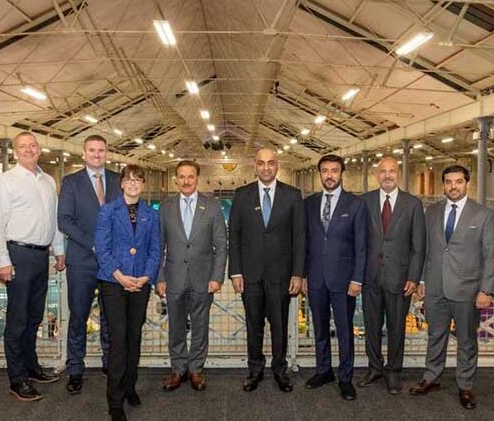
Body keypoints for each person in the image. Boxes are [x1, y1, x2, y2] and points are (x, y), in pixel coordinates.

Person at [409, 165, 494, 410]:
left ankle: (465, 385)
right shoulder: (432, 211)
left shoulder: (483, 215)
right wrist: (422, 281)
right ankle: (431, 377)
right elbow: (425, 249)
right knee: (435, 335)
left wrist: (486, 290)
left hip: (467, 290)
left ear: (467, 183)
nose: (453, 186)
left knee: (467, 339)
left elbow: (491, 255)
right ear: (443, 185)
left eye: (458, 181)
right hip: (435, 287)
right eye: (448, 182)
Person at [0, 132, 66, 401]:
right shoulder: (4, 182)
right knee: (17, 320)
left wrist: (58, 250)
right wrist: (3, 260)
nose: (29, 150)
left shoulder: (48, 180)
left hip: (41, 255)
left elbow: (53, 220)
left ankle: (31, 366)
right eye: (23, 146)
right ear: (14, 151)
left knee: (34, 317)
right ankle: (17, 378)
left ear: (39, 149)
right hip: (18, 254)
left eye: (33, 145)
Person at [228, 148, 306, 393]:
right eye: (261, 163)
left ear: (277, 165)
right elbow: (234, 236)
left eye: (270, 163)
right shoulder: (242, 195)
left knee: (279, 325)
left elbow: (299, 237)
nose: (266, 168)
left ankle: (280, 370)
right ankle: (255, 370)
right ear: (255, 165)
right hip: (250, 275)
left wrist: (297, 273)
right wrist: (236, 272)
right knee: (254, 325)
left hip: (281, 275)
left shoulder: (292, 195)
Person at [95, 164, 161, 421]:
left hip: (139, 284)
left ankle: (130, 386)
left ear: (143, 184)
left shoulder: (150, 214)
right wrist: (120, 276)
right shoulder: (108, 211)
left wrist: (146, 276)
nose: (133, 184)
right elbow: (102, 249)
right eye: (129, 180)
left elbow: (155, 249)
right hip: (113, 283)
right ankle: (114, 401)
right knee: (118, 340)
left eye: (138, 180)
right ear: (121, 183)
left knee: (134, 337)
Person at [156, 160, 227, 391]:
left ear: (198, 178)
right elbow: (158, 246)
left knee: (200, 326)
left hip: (203, 279)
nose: (186, 181)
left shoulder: (212, 207)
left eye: (190, 176)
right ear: (175, 179)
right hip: (173, 277)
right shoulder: (165, 208)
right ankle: (178, 369)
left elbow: (221, 245)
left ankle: (196, 369)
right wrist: (160, 278)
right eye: (182, 177)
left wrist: (217, 277)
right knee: (175, 327)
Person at [58, 134, 120, 394]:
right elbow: (64, 220)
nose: (97, 154)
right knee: (78, 316)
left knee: (111, 316)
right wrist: (93, 244)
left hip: (112, 263)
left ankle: (110, 363)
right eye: (92, 150)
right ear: (83, 154)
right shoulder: (71, 182)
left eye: (101, 150)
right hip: (82, 261)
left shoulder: (118, 180)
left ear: (107, 153)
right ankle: (75, 368)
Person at [302, 154, 367, 401]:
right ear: (319, 173)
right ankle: (323, 371)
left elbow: (361, 245)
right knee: (319, 328)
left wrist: (357, 279)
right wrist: (303, 274)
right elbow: (304, 242)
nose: (329, 175)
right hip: (316, 278)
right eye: (325, 171)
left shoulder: (355, 204)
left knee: (344, 330)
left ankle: (345, 377)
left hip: (344, 280)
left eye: (334, 171)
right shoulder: (309, 203)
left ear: (341, 173)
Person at [359, 157, 425, 394]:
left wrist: (414, 277)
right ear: (376, 175)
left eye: (392, 171)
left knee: (397, 327)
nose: (387, 175)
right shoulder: (364, 201)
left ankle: (394, 371)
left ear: (399, 174)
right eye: (382, 171)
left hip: (400, 278)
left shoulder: (413, 204)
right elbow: (358, 241)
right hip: (370, 276)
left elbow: (419, 246)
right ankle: (374, 367)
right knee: (371, 326)